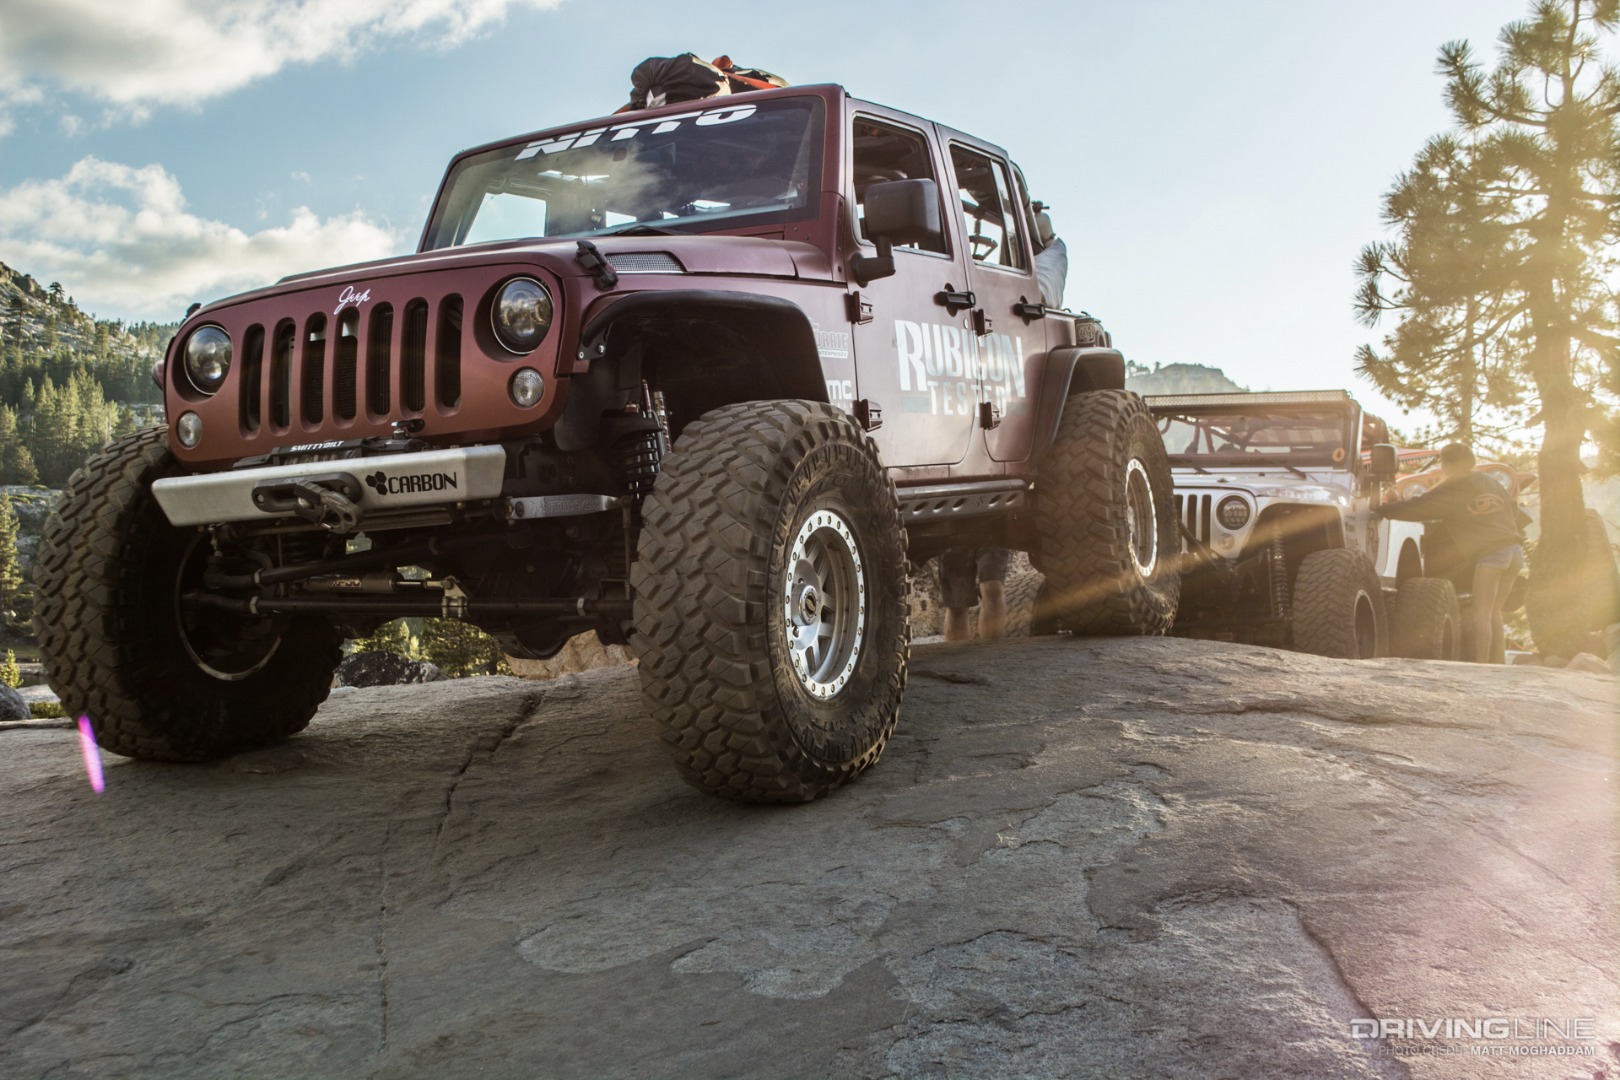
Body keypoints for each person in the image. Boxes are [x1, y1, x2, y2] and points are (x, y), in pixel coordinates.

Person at [1372, 443, 1525, 664]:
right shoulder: (1489, 481)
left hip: (1492, 555)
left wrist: (1380, 510)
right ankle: (1499, 665)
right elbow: (1514, 508)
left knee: (1481, 614)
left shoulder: (1455, 486)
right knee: (1495, 613)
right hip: (1514, 551)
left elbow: (1420, 507)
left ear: (1448, 464)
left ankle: (1482, 666)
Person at [940, 547, 1010, 641]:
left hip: (992, 538)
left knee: (993, 589)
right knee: (957, 606)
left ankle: (992, 648)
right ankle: (957, 651)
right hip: (955, 541)